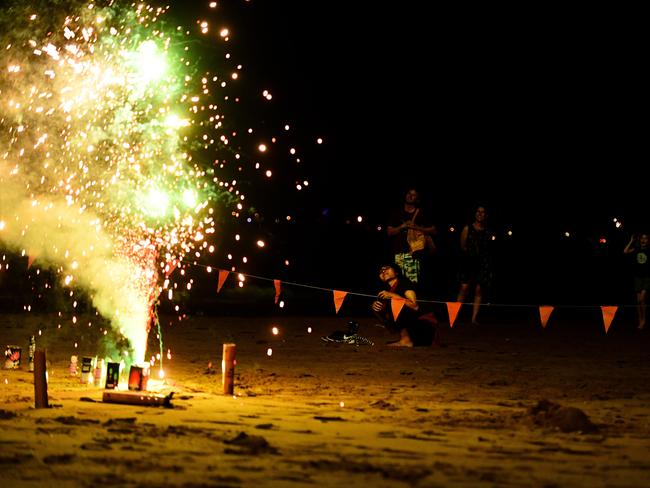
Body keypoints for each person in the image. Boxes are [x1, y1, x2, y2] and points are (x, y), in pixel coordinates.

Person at [372, 264, 439, 347]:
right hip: (415, 330)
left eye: (387, 268)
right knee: (378, 309)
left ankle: (406, 340)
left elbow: (414, 306)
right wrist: (379, 308)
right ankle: (405, 339)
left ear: (396, 272)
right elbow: (387, 316)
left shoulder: (405, 283)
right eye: (381, 271)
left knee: (397, 304)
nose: (383, 271)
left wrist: (393, 296)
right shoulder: (388, 290)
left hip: (425, 327)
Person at [386, 188, 436, 285]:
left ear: (417, 199)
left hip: (414, 254)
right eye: (409, 193)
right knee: (397, 284)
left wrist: (416, 227)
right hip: (398, 253)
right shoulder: (397, 212)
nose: (410, 196)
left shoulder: (420, 213)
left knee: (411, 285)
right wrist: (402, 226)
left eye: (413, 195)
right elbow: (389, 232)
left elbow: (433, 230)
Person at [456, 205, 493, 325]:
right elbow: (462, 246)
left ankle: (474, 318)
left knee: (478, 290)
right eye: (478, 211)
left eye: (483, 212)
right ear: (475, 213)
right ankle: (455, 315)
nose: (480, 214)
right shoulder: (468, 228)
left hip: (482, 263)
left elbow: (488, 248)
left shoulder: (488, 231)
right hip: (468, 261)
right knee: (464, 288)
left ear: (486, 215)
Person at [623, 232, 650, 330]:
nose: (643, 240)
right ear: (640, 240)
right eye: (642, 238)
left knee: (642, 299)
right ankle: (640, 320)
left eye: (645, 238)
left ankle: (644, 319)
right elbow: (625, 251)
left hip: (646, 278)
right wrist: (631, 241)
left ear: (648, 241)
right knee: (638, 302)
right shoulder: (637, 249)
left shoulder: (649, 250)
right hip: (637, 278)